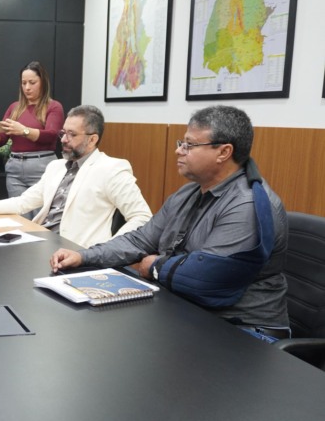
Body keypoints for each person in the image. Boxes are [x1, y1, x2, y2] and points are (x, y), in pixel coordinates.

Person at [51, 105, 289, 342]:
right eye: (181, 143)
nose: (179, 151)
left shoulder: (247, 204)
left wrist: (155, 266)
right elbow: (140, 239)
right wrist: (84, 256)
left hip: (244, 331)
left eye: (190, 145)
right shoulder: (188, 193)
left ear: (223, 152)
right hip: (187, 311)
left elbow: (206, 278)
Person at [0, 105, 152, 248]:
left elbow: (142, 217)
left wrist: (106, 250)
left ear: (92, 140)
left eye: (72, 135)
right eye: (63, 133)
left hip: (75, 252)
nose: (63, 139)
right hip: (39, 242)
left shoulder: (112, 169)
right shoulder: (56, 166)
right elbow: (24, 201)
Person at [0, 60, 64, 199]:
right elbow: (1, 140)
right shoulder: (14, 107)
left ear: (43, 82)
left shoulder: (53, 106)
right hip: (15, 168)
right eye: (23, 83)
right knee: (17, 210)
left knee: (40, 211)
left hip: (41, 167)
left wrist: (24, 130)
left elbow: (51, 135)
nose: (27, 87)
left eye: (32, 83)